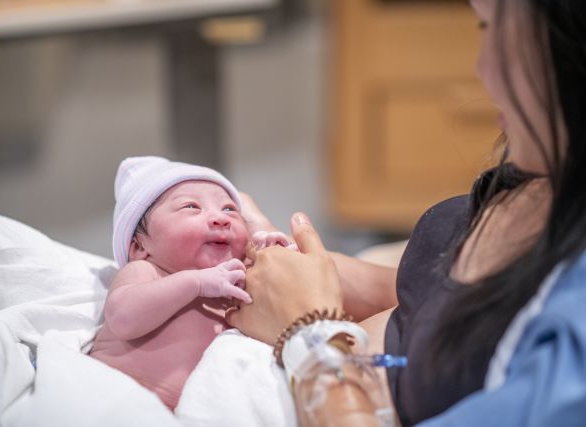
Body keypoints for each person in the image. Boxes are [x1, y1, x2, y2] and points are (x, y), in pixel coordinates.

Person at [228, 0, 586, 425]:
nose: (481, 67)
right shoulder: (552, 168)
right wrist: (340, 278)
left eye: (495, 31)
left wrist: (310, 331)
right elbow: (473, 311)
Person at [89, 156, 291, 410]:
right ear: (140, 247)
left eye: (229, 209)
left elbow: (286, 309)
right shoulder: (146, 272)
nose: (221, 218)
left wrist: (271, 253)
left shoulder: (234, 284)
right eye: (191, 207)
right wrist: (196, 282)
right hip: (117, 402)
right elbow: (122, 318)